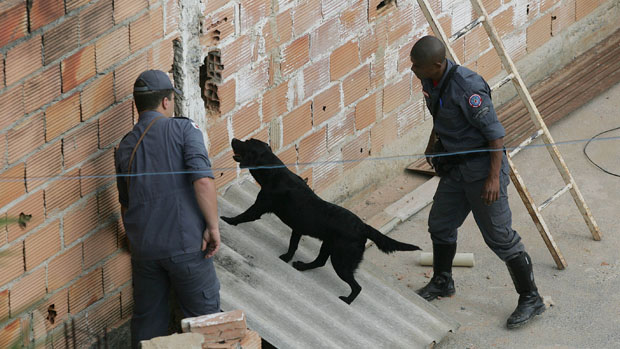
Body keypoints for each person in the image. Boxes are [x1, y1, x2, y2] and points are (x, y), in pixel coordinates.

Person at [409, 36, 545, 328]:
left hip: (483, 172)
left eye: (416, 65)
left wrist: (494, 178)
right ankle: (442, 281)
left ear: (436, 64)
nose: (412, 69)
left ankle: (531, 299)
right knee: (441, 225)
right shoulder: (431, 80)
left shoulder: (468, 88)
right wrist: (433, 144)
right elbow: (441, 116)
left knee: (500, 238)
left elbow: (496, 135)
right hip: (456, 171)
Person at [115, 70, 221, 347]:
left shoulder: (125, 146)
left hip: (145, 253)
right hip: (186, 246)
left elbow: (125, 206)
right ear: (166, 101)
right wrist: (212, 227)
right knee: (205, 325)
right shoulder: (184, 129)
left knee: (149, 330)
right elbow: (203, 182)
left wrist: (136, 243)